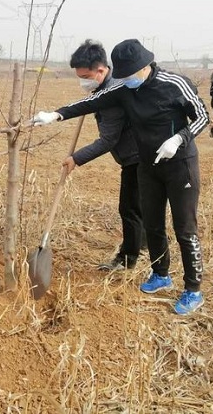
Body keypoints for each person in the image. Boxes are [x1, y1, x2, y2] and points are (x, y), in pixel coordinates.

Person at [33, 39, 209, 315]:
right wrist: (56, 115)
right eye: (121, 77)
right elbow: (91, 102)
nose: (124, 81)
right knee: (152, 224)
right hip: (147, 166)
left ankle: (193, 290)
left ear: (144, 67)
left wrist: (178, 139)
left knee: (185, 229)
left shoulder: (174, 84)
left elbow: (202, 116)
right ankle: (161, 274)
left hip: (179, 165)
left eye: (128, 76)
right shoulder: (125, 89)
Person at [61, 40, 143, 271]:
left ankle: (128, 258)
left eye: (86, 76)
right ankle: (143, 242)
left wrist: (76, 158)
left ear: (101, 69)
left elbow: (108, 140)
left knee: (129, 208)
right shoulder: (106, 85)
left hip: (137, 155)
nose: (83, 81)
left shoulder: (112, 93)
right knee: (140, 205)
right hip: (136, 152)